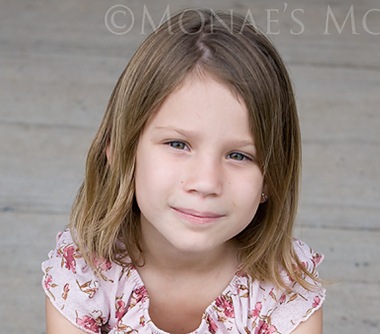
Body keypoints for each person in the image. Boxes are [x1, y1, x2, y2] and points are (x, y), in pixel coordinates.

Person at [42, 8, 325, 334]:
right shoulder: (84, 272)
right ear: (121, 152)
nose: (205, 183)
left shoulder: (284, 286)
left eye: (238, 155)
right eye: (178, 144)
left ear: (273, 177)